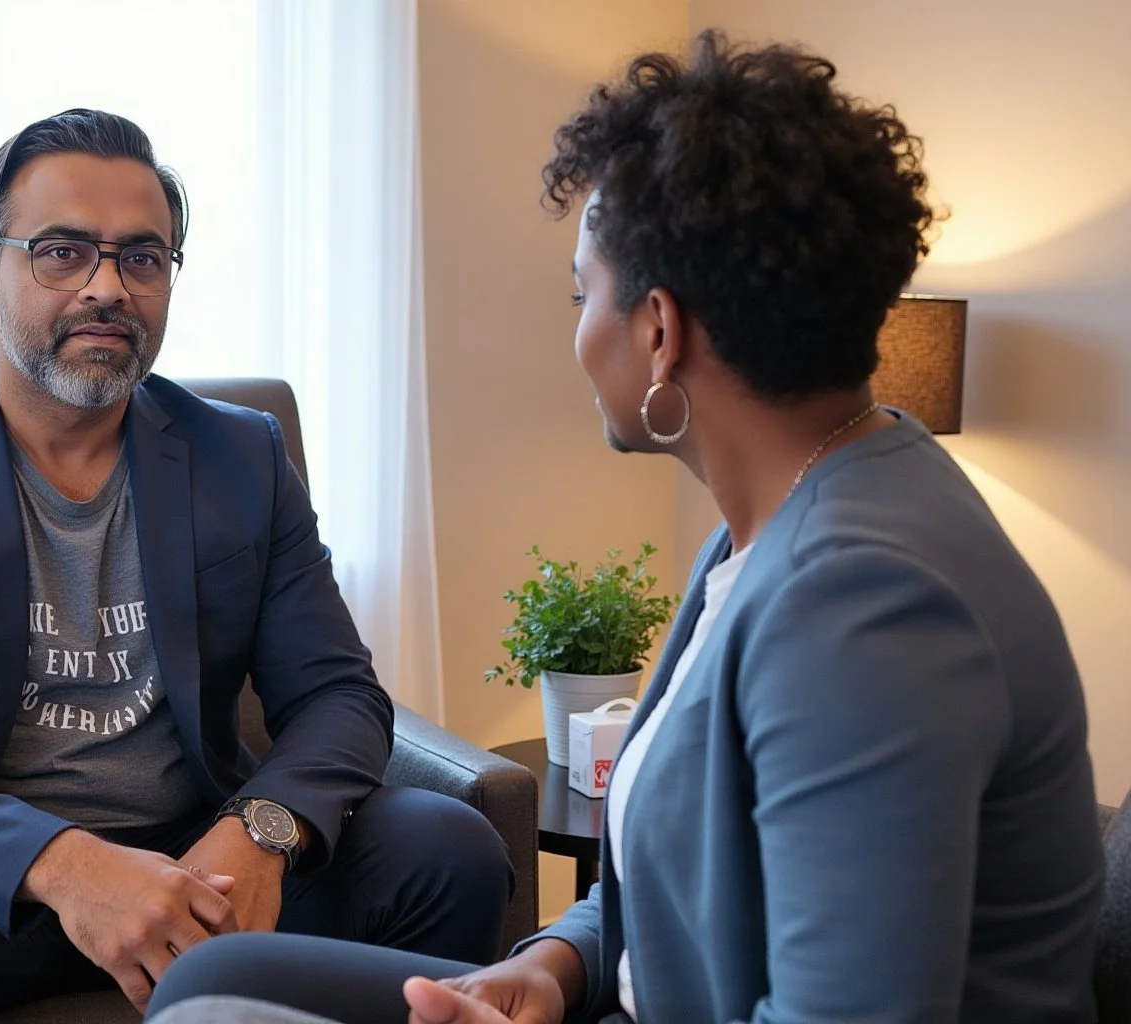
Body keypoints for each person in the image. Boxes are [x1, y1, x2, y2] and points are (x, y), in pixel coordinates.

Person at [144, 30, 1105, 1024]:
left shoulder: (859, 606)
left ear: (658, 331)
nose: (575, 331)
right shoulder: (776, 526)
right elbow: (679, 879)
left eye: (580, 293)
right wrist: (554, 963)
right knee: (211, 981)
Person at [0, 108, 512, 1022]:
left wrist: (259, 832)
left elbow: (340, 697)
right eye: (64, 252)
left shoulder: (241, 456)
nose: (107, 286)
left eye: (142, 258)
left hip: (200, 864)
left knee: (447, 849)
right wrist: (66, 866)